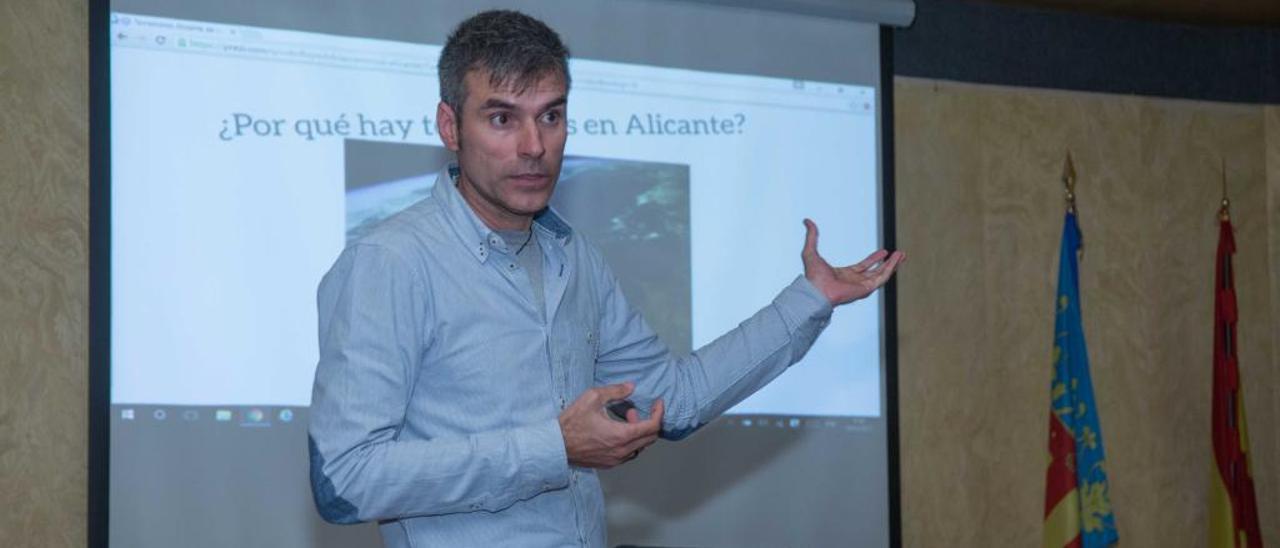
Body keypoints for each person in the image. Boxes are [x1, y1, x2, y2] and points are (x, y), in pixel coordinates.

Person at [308, 9, 903, 548]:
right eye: (501, 118)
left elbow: (677, 398)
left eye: (551, 116)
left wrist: (810, 300)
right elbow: (345, 481)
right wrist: (554, 447)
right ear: (449, 125)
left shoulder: (576, 259)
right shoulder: (389, 263)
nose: (534, 146)